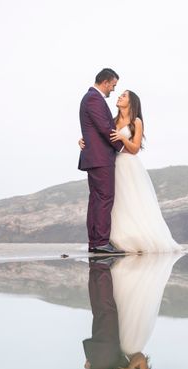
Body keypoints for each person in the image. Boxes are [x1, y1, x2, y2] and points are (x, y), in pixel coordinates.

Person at [80, 90, 182, 253]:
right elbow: (101, 139)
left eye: (124, 95)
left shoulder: (136, 122)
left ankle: (134, 237)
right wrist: (84, 141)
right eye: (120, 94)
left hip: (128, 165)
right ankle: (111, 238)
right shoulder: (111, 121)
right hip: (112, 164)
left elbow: (135, 149)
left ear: (131, 102)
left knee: (131, 200)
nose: (119, 96)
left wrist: (122, 138)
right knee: (115, 203)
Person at [78, 68, 125, 255]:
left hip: (95, 157)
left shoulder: (90, 98)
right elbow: (105, 129)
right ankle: (101, 242)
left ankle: (95, 241)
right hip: (100, 158)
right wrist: (123, 148)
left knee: (97, 200)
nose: (113, 90)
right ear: (105, 82)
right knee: (104, 198)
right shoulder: (93, 99)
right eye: (113, 85)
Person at [82, 256, 129, 369]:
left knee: (107, 309)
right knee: (100, 310)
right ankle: (96, 270)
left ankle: (101, 269)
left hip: (105, 348)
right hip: (100, 349)